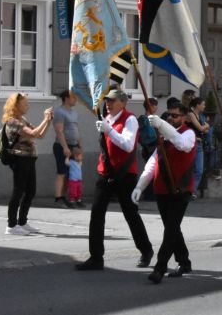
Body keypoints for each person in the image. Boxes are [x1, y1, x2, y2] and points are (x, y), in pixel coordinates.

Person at [77, 89, 154, 270]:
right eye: (107, 101)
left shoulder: (130, 119)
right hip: (105, 173)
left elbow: (127, 145)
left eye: (112, 101)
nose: (108, 104)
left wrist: (108, 130)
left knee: (130, 214)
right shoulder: (107, 118)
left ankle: (146, 249)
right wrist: (106, 127)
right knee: (96, 214)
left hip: (125, 174)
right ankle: (96, 257)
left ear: (123, 102)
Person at [131, 103, 196, 284]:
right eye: (168, 115)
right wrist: (140, 186)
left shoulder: (188, 134)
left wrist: (162, 125)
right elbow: (152, 164)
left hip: (180, 190)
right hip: (162, 189)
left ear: (184, 117)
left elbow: (182, 144)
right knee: (172, 227)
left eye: (175, 116)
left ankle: (160, 267)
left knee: (170, 230)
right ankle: (184, 261)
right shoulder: (163, 137)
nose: (171, 118)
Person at [2, 93, 53, 235]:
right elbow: (33, 134)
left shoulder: (22, 119)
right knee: (18, 191)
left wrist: (48, 121)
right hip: (19, 159)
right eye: (25, 104)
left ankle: (22, 222)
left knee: (30, 191)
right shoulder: (12, 121)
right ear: (16, 105)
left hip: (30, 158)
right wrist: (44, 119)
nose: (28, 106)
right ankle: (11, 226)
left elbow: (40, 135)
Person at [52, 90, 81, 209]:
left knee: (71, 173)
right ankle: (58, 198)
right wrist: (64, 147)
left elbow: (76, 129)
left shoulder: (74, 112)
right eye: (73, 97)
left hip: (73, 146)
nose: (75, 100)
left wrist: (79, 146)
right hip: (62, 146)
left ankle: (66, 197)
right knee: (62, 172)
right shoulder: (59, 112)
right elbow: (59, 131)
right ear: (66, 98)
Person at [187, 97, 210, 200]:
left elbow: (205, 131)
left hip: (199, 144)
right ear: (197, 105)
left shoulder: (199, 115)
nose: (204, 106)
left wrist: (205, 127)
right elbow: (201, 128)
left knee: (199, 170)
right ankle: (188, 191)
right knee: (191, 169)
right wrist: (207, 125)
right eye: (203, 104)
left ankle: (191, 191)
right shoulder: (191, 114)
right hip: (192, 144)